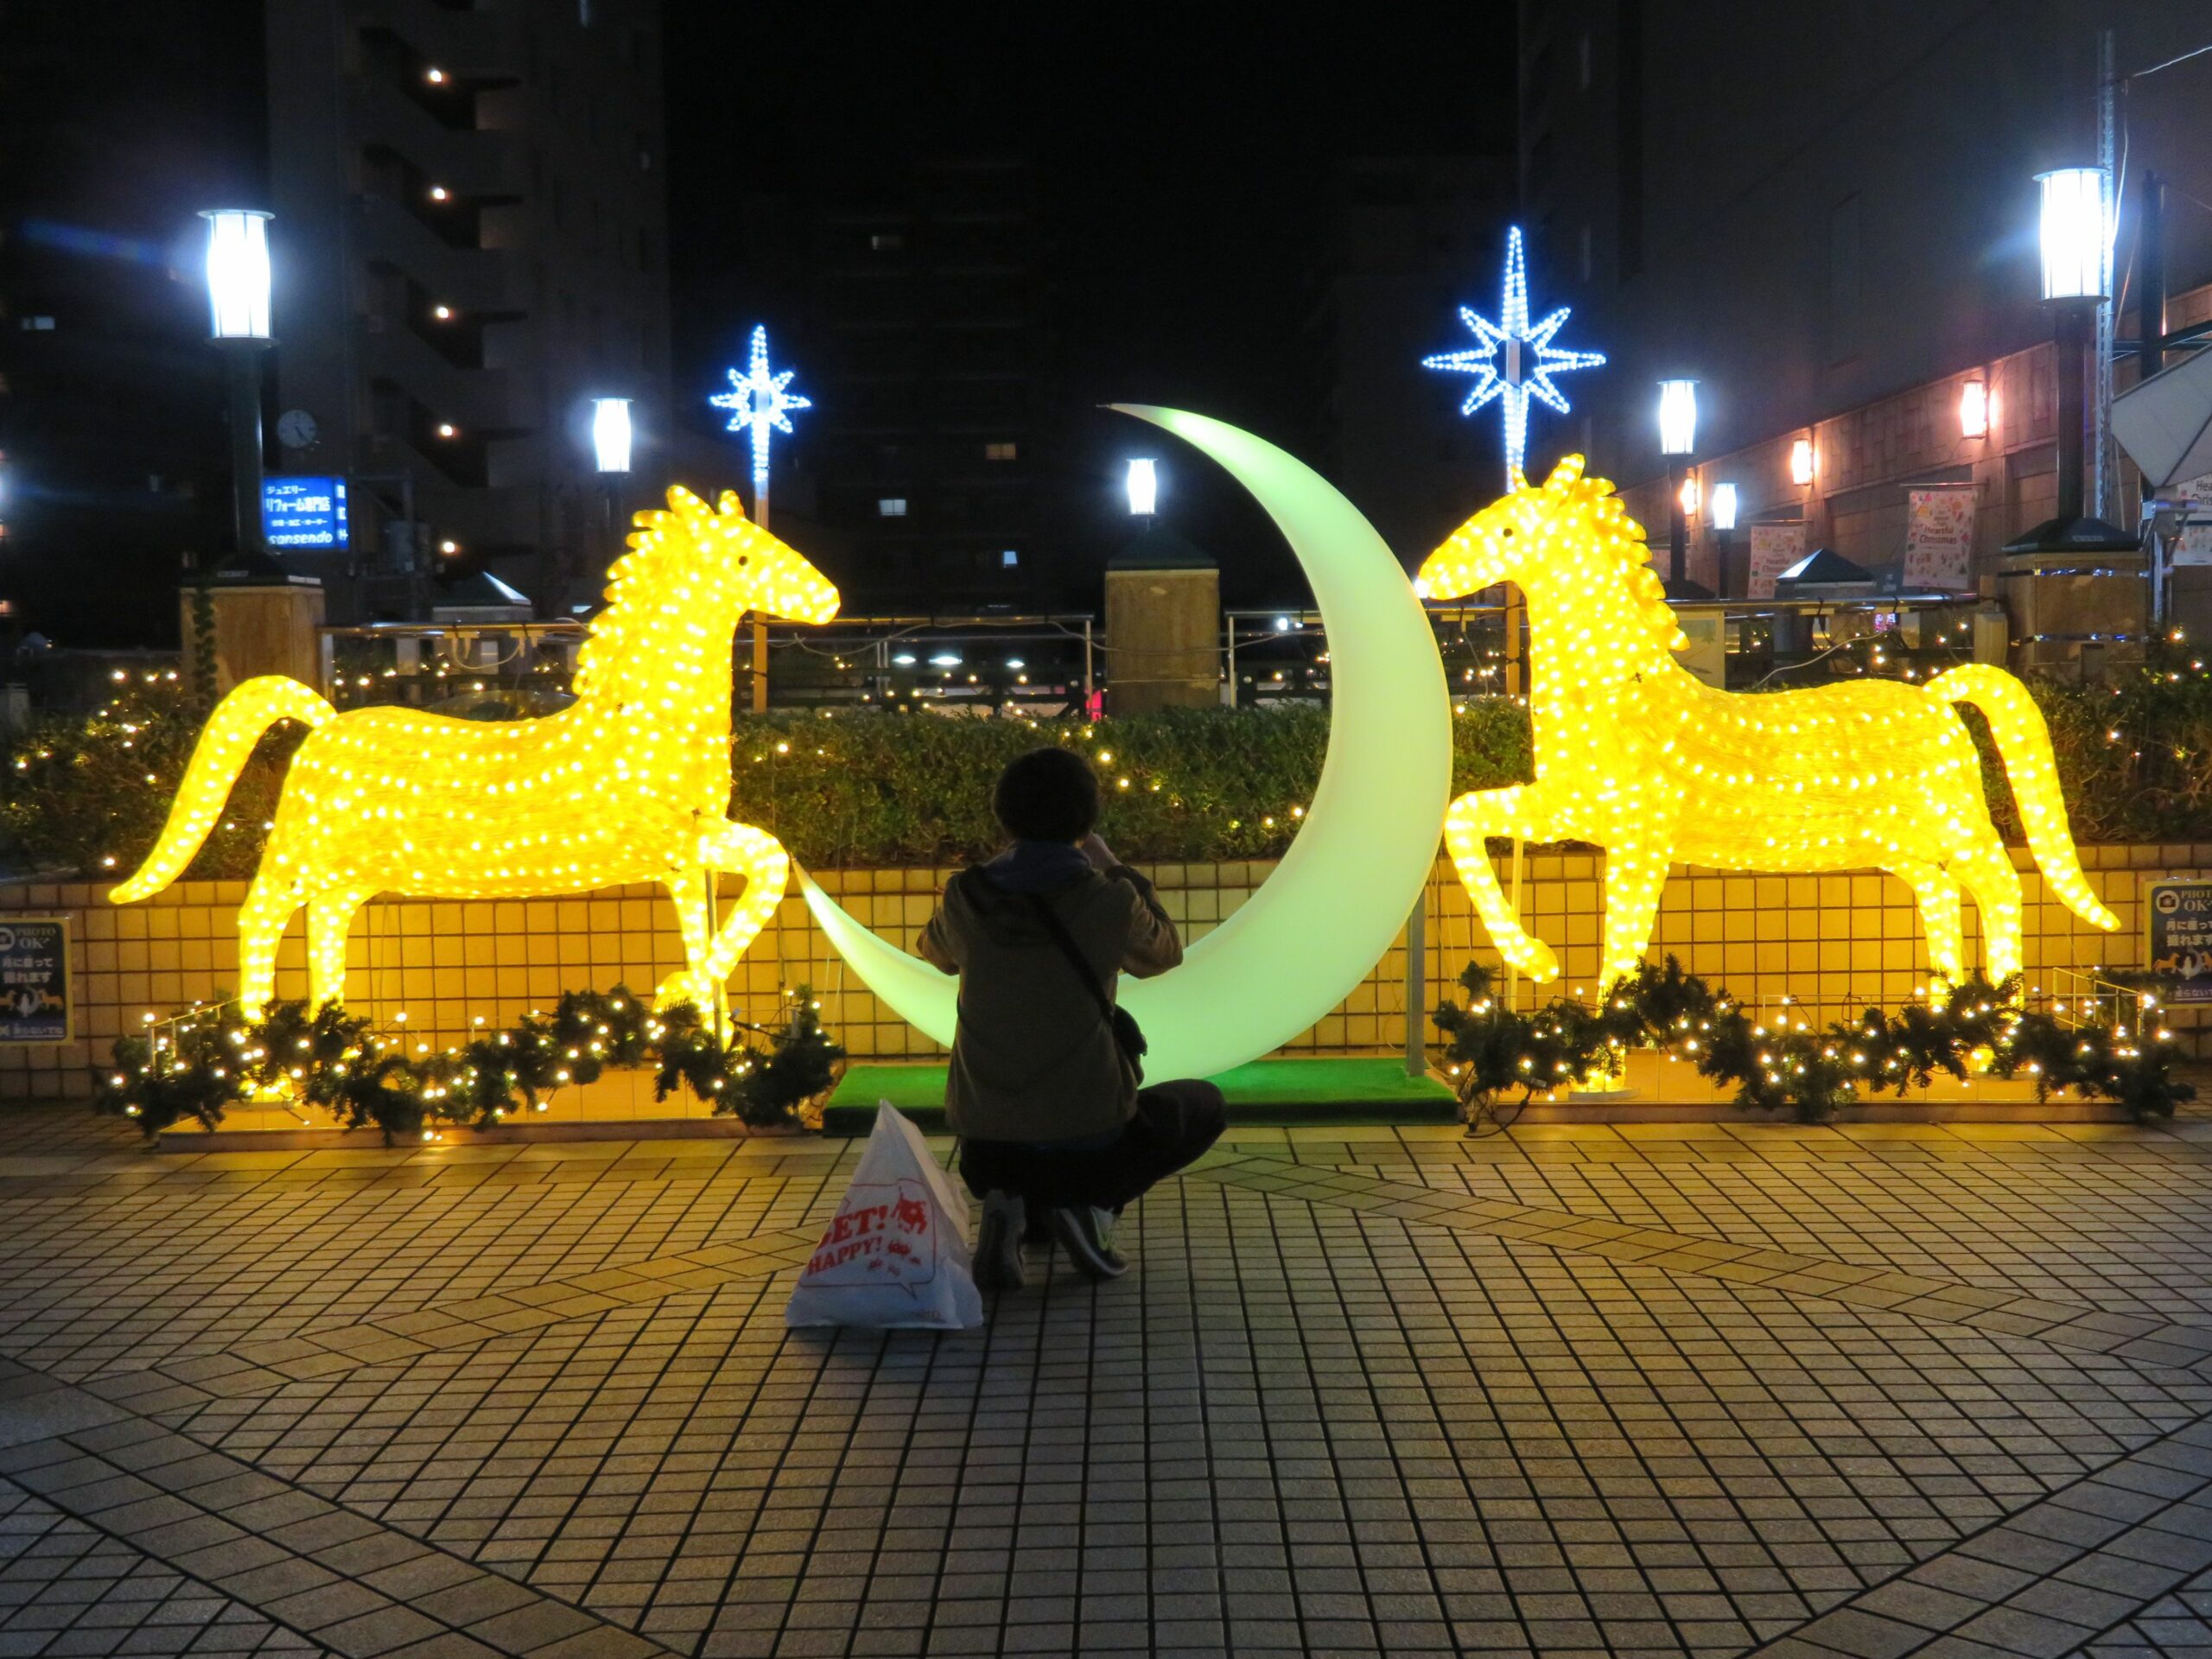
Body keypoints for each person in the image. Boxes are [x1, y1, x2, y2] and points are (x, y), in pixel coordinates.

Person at [918, 746, 1225, 1288]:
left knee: (1020, 1158)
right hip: (1090, 1137)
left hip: (987, 1148)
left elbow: (933, 951)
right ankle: (1091, 1210)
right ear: (1087, 820)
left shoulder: (967, 895)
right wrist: (1118, 870)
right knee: (1201, 1105)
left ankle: (1005, 1211)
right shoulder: (1108, 898)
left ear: (1004, 816)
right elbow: (1164, 954)